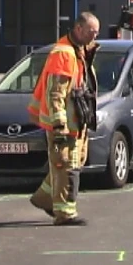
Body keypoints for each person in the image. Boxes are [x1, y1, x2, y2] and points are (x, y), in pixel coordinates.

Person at [28, 12, 100, 226]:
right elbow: (55, 94)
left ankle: (44, 198)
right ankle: (65, 213)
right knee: (66, 167)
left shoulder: (78, 51)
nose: (94, 37)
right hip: (65, 123)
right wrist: (59, 126)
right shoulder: (64, 54)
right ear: (78, 29)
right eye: (91, 32)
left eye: (96, 32)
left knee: (73, 163)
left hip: (75, 120)